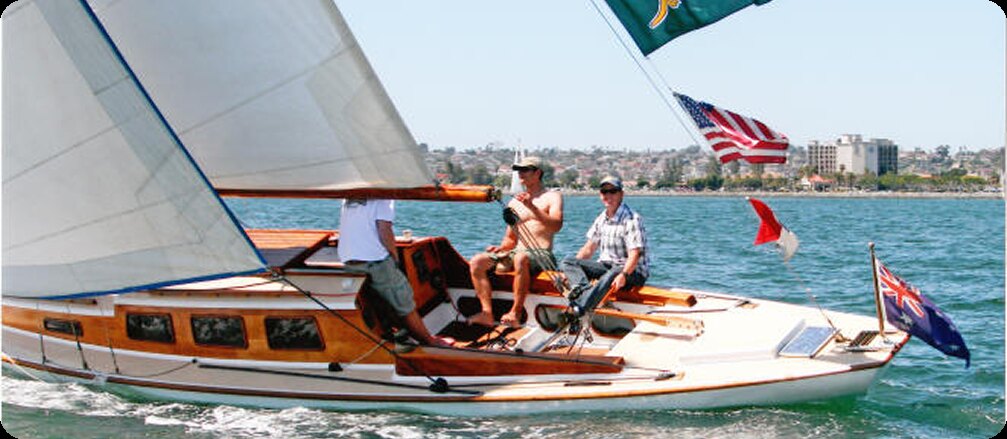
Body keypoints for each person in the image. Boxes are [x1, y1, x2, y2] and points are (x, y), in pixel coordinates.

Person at [337, 198, 453, 347]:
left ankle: (399, 335)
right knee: (404, 302)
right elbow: (384, 229)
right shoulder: (383, 197)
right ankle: (429, 341)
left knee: (377, 302)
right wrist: (394, 256)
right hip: (374, 260)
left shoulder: (348, 196)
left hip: (349, 260)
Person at [468, 156, 564, 327]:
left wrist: (532, 207)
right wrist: (500, 248)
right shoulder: (515, 202)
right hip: (516, 252)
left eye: (525, 170)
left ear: (538, 173)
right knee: (477, 262)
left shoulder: (552, 197)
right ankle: (486, 313)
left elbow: (556, 225)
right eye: (519, 170)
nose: (521, 174)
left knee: (521, 258)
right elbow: (510, 239)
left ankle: (515, 313)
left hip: (540, 254)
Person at [562, 176, 649, 315]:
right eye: (604, 192)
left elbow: (635, 254)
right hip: (607, 266)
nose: (608, 195)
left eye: (613, 191)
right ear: (600, 195)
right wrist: (571, 272)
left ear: (621, 194)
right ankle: (586, 294)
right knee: (568, 262)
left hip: (632, 272)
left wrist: (624, 275)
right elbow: (589, 248)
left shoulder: (632, 219)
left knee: (614, 273)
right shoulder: (602, 218)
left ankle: (581, 307)